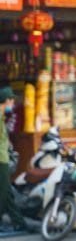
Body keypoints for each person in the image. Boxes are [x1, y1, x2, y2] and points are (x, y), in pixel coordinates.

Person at [0, 87, 27, 233]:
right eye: (12, 101)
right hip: (1, 160)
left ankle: (19, 222)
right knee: (3, 193)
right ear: (7, 101)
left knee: (7, 192)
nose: (13, 105)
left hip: (3, 157)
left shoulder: (2, 116)